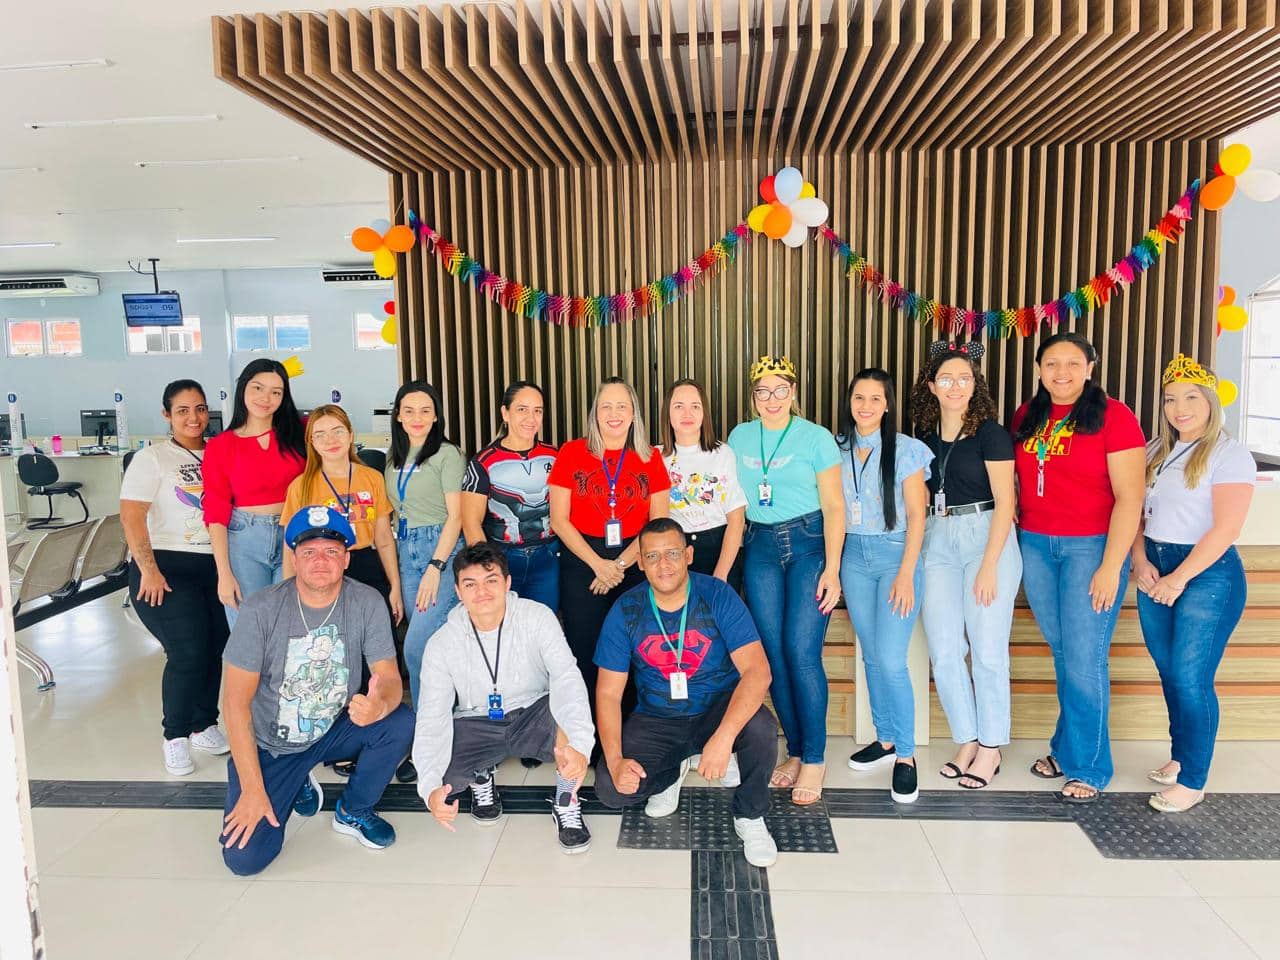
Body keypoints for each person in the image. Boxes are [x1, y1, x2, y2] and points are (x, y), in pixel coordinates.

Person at [219, 506, 414, 876]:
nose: (320, 561)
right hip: (273, 745)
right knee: (244, 859)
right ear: (293, 559)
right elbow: (234, 705)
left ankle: (353, 810)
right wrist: (253, 788)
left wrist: (380, 704)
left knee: (399, 721)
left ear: (347, 559)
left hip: (333, 726)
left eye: (331, 551)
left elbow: (388, 677)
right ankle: (295, 781)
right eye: (309, 552)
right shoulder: (261, 608)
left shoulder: (367, 601)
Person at [593, 518, 780, 868]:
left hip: (715, 710)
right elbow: (607, 695)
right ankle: (674, 768)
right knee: (610, 788)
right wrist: (616, 761)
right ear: (640, 562)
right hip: (658, 717)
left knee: (760, 728)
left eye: (672, 554)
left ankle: (750, 815)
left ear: (689, 555)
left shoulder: (717, 595)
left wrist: (724, 738)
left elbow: (758, 672)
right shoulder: (626, 609)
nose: (663, 565)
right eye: (652, 556)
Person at [1012, 331, 1146, 803]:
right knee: (1065, 653)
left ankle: (1090, 766)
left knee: (1086, 658)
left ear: (1090, 367)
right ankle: (1066, 748)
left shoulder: (1115, 417)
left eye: (1072, 363)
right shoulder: (1028, 416)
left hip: (1091, 548)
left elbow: (1130, 498)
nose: (1061, 373)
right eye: (1051, 363)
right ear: (1039, 369)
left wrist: (1111, 566)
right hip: (1036, 545)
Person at [1132, 355, 1256, 813]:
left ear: (1210, 401)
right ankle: (1181, 756)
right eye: (1170, 399)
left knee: (1191, 677)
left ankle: (1194, 779)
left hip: (1208, 574)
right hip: (1155, 565)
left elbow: (1226, 528)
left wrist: (1179, 578)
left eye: (1190, 398)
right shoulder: (1154, 451)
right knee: (1170, 672)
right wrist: (1139, 561)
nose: (1179, 408)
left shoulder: (1228, 454)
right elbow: (1135, 514)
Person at [413, 543, 594, 852]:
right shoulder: (441, 644)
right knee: (443, 780)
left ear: (508, 583)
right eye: (470, 584)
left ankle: (566, 799)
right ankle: (481, 774)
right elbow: (432, 716)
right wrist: (429, 789)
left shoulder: (537, 617)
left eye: (491, 580)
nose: (481, 592)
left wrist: (579, 744)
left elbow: (567, 678)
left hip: (534, 712)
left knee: (566, 725)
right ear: (457, 591)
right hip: (477, 721)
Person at [727, 356, 844, 806]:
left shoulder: (816, 438)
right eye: (763, 391)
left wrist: (832, 569)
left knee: (801, 650)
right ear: (753, 396)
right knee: (772, 655)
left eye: (780, 390)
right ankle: (795, 751)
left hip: (809, 544)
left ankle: (814, 757)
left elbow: (834, 507)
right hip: (759, 546)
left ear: (793, 392)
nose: (772, 399)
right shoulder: (739, 437)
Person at [910, 342, 1021, 790]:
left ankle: (991, 746)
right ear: (932, 386)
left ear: (975, 385)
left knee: (988, 650)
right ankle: (967, 738)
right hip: (937, 538)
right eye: (946, 379)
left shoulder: (991, 434)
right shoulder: (923, 436)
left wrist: (990, 565)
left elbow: (1007, 501)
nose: (955, 386)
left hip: (985, 536)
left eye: (964, 378)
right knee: (944, 649)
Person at [120, 379, 231, 776]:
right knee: (186, 652)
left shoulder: (219, 452)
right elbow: (132, 516)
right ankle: (176, 737)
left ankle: (204, 725)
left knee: (214, 646)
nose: (193, 417)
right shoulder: (152, 458)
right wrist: (148, 569)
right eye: (182, 410)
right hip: (167, 567)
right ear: (167, 414)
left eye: (199, 408)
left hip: (214, 564)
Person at [837, 368, 932, 804]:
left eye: (876, 398)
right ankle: (886, 738)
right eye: (860, 397)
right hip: (854, 557)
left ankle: (906, 756)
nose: (866, 406)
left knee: (892, 660)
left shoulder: (907, 450)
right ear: (850, 401)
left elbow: (917, 515)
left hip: (896, 554)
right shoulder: (837, 448)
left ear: (888, 405)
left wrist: (907, 572)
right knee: (872, 655)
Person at [548, 377, 670, 710]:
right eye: (606, 406)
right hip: (582, 563)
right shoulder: (572, 453)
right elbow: (559, 520)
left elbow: (657, 525)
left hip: (635, 561)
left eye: (621, 406)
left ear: (633, 414)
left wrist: (618, 566)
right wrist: (598, 565)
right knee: (584, 648)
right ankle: (589, 730)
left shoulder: (650, 458)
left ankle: (630, 728)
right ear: (595, 413)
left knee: (634, 648)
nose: (614, 414)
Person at [202, 359, 306, 627]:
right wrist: (224, 574)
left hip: (294, 535)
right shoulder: (220, 446)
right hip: (244, 541)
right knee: (249, 627)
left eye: (276, 392)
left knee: (290, 624)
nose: (266, 398)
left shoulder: (300, 433)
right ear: (243, 388)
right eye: (258, 388)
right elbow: (216, 512)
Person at [280, 403, 403, 627]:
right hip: (323, 568)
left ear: (350, 434)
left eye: (338, 431)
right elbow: (290, 547)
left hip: (367, 566)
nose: (331, 440)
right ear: (312, 442)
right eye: (320, 435)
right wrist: (292, 595)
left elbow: (384, 540)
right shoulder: (300, 486)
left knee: (378, 637)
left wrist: (394, 586)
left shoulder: (372, 478)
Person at [386, 380, 466, 709]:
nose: (417, 418)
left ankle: (428, 723)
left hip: (441, 549)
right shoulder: (393, 457)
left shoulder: (448, 454)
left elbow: (456, 517)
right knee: (432, 644)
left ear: (436, 416)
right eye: (409, 411)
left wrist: (436, 567)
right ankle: (439, 721)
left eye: (425, 411)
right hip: (406, 550)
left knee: (416, 647)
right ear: (398, 416)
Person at [461, 380, 560, 609]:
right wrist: (488, 569)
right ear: (505, 413)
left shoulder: (555, 455)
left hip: (548, 558)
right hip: (502, 559)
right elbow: (471, 522)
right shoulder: (483, 461)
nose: (531, 418)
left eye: (538, 411)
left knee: (544, 621)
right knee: (504, 624)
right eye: (522, 409)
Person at [661, 378, 747, 590]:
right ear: (667, 413)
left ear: (704, 413)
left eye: (695, 406)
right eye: (678, 406)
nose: (687, 414)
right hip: (673, 553)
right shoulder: (655, 457)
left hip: (719, 550)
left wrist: (721, 574)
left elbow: (736, 520)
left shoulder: (723, 453)